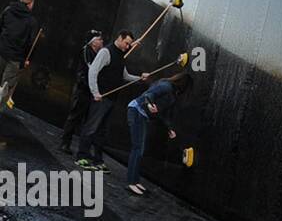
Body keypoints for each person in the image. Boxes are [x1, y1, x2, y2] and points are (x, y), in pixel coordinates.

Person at [76, 30, 148, 171]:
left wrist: (140, 78)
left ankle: (97, 159)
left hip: (110, 99)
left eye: (129, 44)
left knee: (102, 131)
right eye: (127, 43)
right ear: (120, 38)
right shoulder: (105, 52)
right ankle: (81, 156)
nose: (128, 47)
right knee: (91, 128)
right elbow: (93, 71)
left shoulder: (120, 55)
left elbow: (125, 75)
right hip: (101, 97)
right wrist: (95, 92)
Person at [124, 72, 191, 195]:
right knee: (137, 148)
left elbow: (160, 114)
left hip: (141, 114)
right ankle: (131, 182)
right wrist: (150, 105)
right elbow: (149, 95)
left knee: (140, 149)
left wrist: (169, 128)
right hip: (136, 111)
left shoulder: (172, 94)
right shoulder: (166, 86)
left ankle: (134, 180)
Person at [60, 30, 105, 153]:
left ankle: (82, 148)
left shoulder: (98, 53)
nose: (102, 41)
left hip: (90, 90)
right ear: (93, 42)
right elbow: (91, 69)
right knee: (75, 116)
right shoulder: (86, 51)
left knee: (87, 120)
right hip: (83, 88)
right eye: (99, 39)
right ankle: (65, 142)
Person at [0, 0, 38, 110]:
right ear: (30, 3)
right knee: (5, 89)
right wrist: (25, 60)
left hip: (1, 50)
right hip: (15, 59)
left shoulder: (8, 10)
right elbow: (30, 44)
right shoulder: (31, 21)